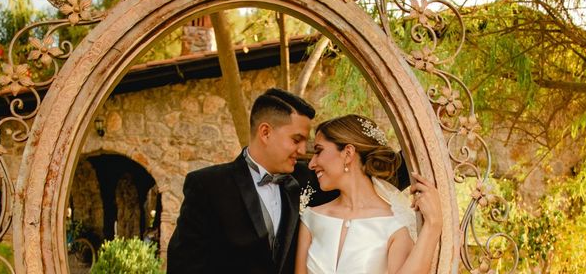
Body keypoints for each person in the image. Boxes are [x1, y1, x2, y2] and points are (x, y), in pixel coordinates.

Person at [167, 87, 323, 274]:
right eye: (296, 140)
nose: (303, 150)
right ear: (265, 132)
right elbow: (183, 266)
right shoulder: (207, 185)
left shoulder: (309, 180)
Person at [295, 115, 442, 274]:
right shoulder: (311, 218)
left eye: (319, 151)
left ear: (348, 153)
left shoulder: (395, 225)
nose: (311, 163)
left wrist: (433, 225)